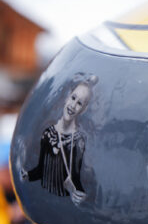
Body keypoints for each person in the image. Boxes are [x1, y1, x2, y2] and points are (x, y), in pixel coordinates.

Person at [21, 75, 98, 205]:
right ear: (67, 97)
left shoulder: (78, 141)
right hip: (42, 202)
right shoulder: (48, 133)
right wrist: (27, 175)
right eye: (73, 98)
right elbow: (40, 170)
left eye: (80, 103)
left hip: (61, 205)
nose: (73, 105)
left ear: (84, 109)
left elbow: (76, 178)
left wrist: (80, 195)